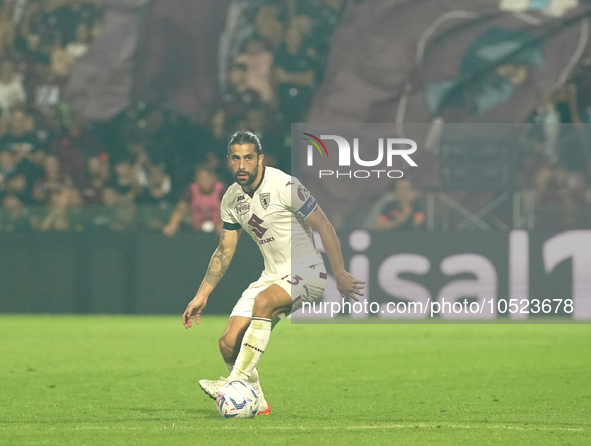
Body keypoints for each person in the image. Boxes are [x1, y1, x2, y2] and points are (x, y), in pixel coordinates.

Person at [182, 131, 364, 415]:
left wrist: (338, 271)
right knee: (228, 344)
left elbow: (324, 225)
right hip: (272, 275)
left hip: (307, 271)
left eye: (248, 158)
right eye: (236, 158)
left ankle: (234, 383)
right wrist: (202, 294)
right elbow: (224, 251)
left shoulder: (284, 185)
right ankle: (258, 401)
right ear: (228, 162)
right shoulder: (231, 198)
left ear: (260, 159)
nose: (242, 165)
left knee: (263, 302)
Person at [162, 167, 225, 236]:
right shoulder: (191, 190)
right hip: (195, 231)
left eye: (208, 178)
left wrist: (223, 225)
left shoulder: (221, 189)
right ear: (196, 179)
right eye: (201, 179)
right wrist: (172, 224)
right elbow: (180, 209)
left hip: (217, 232)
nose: (205, 182)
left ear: (214, 178)